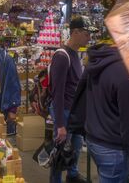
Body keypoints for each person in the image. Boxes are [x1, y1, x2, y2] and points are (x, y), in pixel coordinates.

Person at [71, 43, 129, 182]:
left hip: (93, 138)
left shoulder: (98, 61)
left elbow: (84, 94)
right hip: (113, 147)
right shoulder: (128, 73)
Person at [49, 16, 97, 183]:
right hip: (65, 113)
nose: (89, 37)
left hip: (74, 114)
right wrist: (60, 124)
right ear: (75, 32)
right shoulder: (62, 56)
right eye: (86, 33)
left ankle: (72, 176)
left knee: (73, 152)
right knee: (59, 156)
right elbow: (58, 93)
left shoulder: (75, 55)